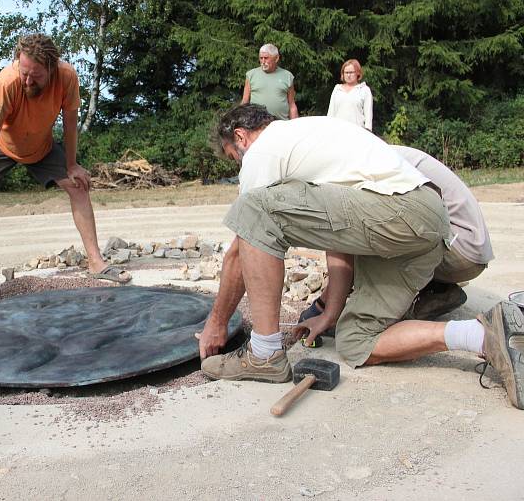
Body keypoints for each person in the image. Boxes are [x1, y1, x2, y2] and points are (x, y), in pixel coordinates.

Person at [195, 104, 524, 410]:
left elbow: (243, 242)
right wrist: (331, 312)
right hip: (426, 225)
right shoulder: (312, 139)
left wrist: (216, 323)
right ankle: (482, 335)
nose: (238, 165)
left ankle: (264, 355)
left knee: (252, 208)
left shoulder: (266, 148)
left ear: (240, 136)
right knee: (356, 342)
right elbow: (339, 236)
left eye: (232, 157)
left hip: (400, 209)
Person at [0, 33, 130, 301]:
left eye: (35, 76)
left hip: (41, 145)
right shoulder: (7, 82)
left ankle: (96, 262)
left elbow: (70, 121)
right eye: (24, 72)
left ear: (51, 67)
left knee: (78, 186)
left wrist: (72, 164)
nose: (27, 80)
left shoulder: (67, 77)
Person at [299, 145, 495, 324]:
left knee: (364, 235)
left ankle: (384, 315)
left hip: (459, 250)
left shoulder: (354, 168)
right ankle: (435, 290)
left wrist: (325, 308)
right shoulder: (374, 152)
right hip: (469, 248)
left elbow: (341, 243)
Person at [241, 44, 298, 120]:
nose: (263, 61)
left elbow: (292, 105)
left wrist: (295, 125)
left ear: (276, 58)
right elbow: (245, 102)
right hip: (257, 124)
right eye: (261, 58)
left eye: (266, 58)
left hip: (281, 124)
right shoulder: (251, 75)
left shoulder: (287, 76)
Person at [326, 59, 373, 131]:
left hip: (357, 132)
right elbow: (331, 112)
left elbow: (368, 115)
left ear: (357, 73)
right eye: (346, 72)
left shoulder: (364, 90)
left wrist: (368, 130)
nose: (348, 75)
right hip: (337, 131)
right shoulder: (337, 89)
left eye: (351, 72)